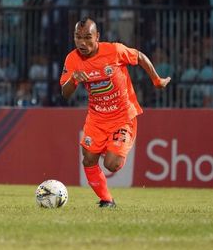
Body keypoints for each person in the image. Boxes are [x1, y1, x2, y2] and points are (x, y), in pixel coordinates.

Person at [60, 18, 171, 207]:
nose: (82, 43)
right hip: (96, 119)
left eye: (88, 37)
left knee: (111, 164)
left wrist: (156, 80)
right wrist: (73, 80)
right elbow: (65, 93)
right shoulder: (72, 59)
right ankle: (107, 200)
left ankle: (112, 146)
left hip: (122, 118)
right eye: (78, 37)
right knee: (88, 160)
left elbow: (140, 57)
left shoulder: (115, 51)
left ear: (98, 37)